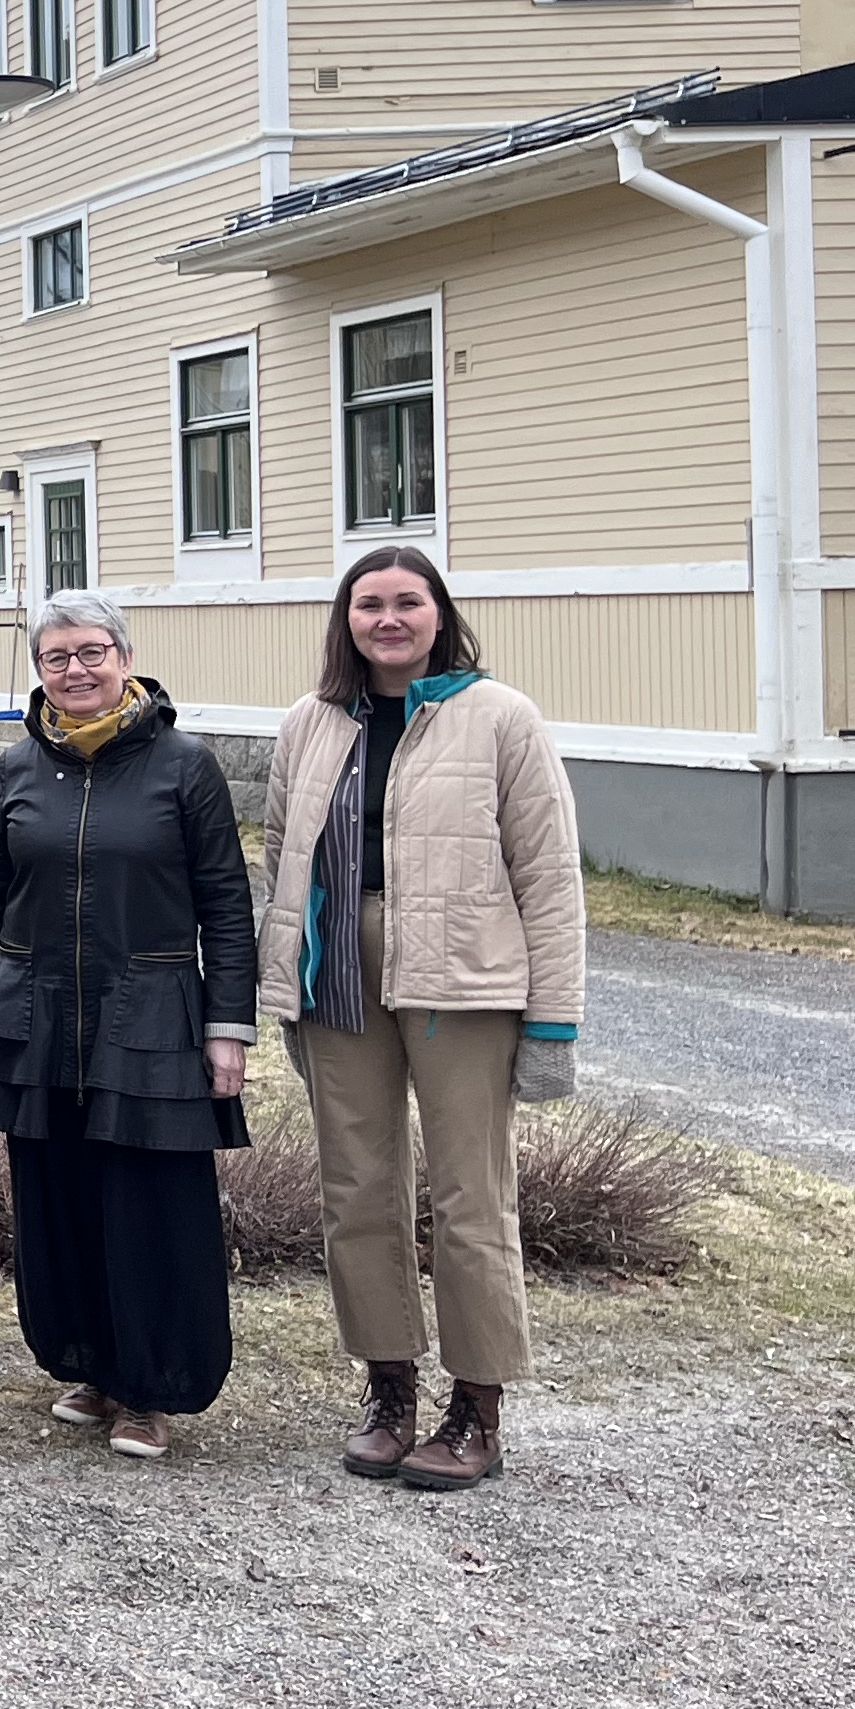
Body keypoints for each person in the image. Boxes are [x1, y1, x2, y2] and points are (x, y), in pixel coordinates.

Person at [257, 545, 584, 1494]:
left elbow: (550, 879)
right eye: (369, 604)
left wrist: (553, 1022)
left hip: (464, 979)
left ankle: (477, 1405)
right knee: (357, 1188)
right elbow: (285, 862)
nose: (388, 619)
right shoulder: (309, 726)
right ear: (345, 619)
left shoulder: (499, 718)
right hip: (340, 977)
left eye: (408, 602)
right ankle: (389, 1389)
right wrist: (288, 984)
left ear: (440, 613)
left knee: (470, 1198)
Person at [0, 591, 259, 1461]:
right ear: (39, 672)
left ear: (124, 656)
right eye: (57, 658)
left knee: (149, 1202)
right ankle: (90, 1361)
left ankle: (148, 1389)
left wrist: (228, 1026)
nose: (75, 671)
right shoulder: (17, 769)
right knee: (61, 1197)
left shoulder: (183, 766)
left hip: (149, 1015)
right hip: (37, 1015)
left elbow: (226, 905)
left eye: (91, 653)